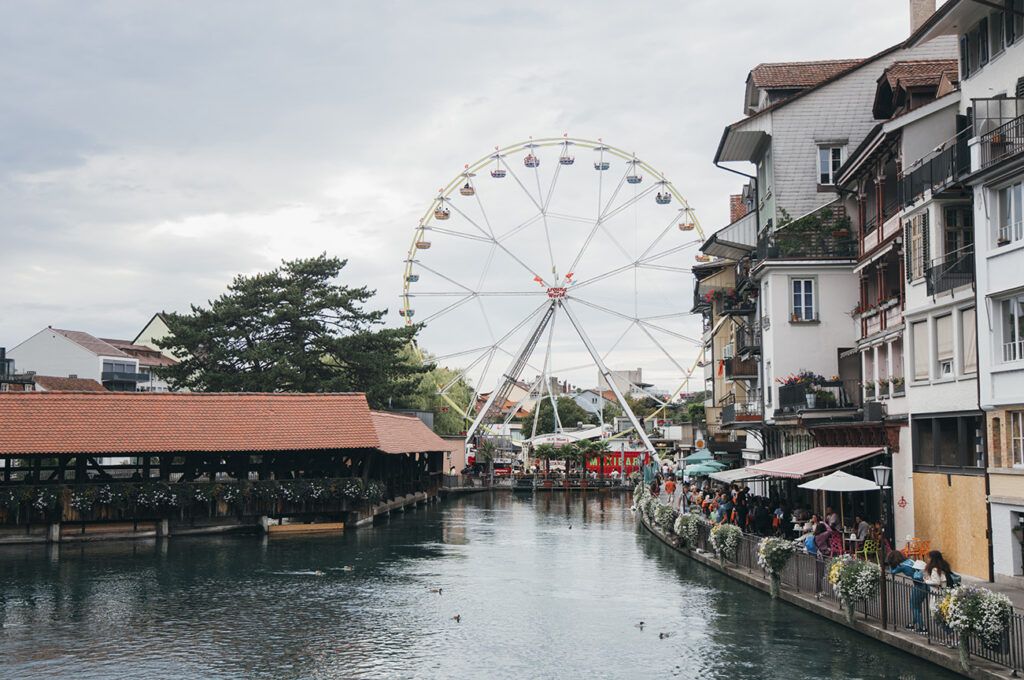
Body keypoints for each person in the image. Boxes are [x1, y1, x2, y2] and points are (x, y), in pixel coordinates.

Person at [887, 550, 928, 634]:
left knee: (914, 606)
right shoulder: (910, 561)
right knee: (918, 606)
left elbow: (892, 572)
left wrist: (890, 565)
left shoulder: (902, 566)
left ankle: (923, 627)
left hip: (918, 586)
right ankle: (912, 624)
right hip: (925, 585)